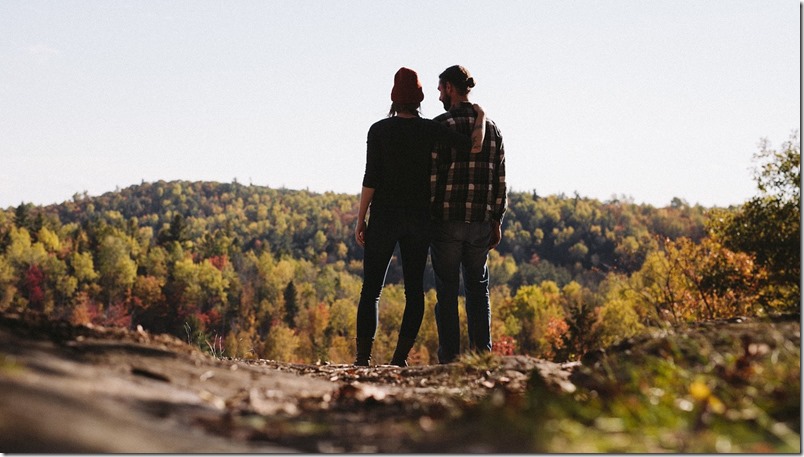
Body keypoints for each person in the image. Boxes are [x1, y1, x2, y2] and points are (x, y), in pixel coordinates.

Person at [354, 67, 485, 367]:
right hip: (419, 220)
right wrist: (481, 115)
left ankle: (363, 359)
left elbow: (370, 178)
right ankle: (399, 359)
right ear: (420, 98)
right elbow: (473, 146)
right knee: (414, 292)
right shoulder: (430, 130)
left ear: (393, 99)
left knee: (371, 289)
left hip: (385, 218)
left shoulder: (378, 131)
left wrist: (361, 218)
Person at [430, 65, 507, 364]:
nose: (438, 95)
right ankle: (481, 356)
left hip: (447, 221)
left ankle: (449, 358)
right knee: (478, 290)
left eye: (440, 89)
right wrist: (496, 219)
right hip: (479, 223)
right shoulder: (493, 130)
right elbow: (500, 179)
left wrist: (431, 215)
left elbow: (433, 178)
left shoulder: (441, 125)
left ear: (450, 87)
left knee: (447, 292)